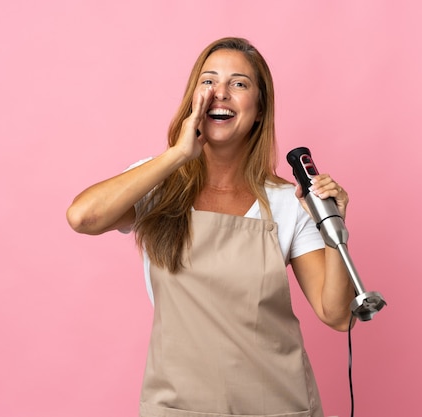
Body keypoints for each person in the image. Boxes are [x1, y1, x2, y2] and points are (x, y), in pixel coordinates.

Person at [66, 37, 355, 417]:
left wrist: (333, 224)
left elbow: (336, 315)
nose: (220, 93)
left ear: (258, 109)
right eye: (208, 81)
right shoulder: (157, 182)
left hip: (278, 405)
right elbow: (82, 217)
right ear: (193, 99)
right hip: (178, 406)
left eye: (238, 83)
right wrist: (178, 155)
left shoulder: (290, 202)